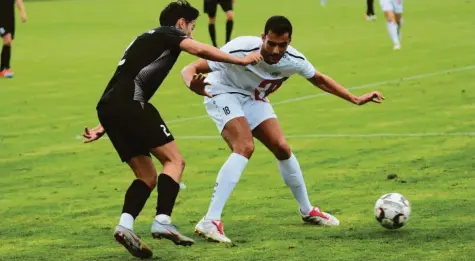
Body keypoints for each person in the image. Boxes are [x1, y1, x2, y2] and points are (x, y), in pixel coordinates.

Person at [82, 0, 262, 258]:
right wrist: (240, 61)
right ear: (181, 23)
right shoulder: (170, 33)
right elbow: (200, 50)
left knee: (146, 176)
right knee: (175, 161)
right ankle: (163, 221)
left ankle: (125, 226)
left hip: (110, 106)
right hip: (132, 103)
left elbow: (121, 80)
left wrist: (105, 124)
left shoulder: (143, 38)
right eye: (192, 27)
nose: (192, 33)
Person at [181, 15, 384, 244]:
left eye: (282, 45)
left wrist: (354, 98)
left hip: (253, 97)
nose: (276, 50)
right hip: (222, 91)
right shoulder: (240, 48)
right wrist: (193, 84)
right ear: (263, 37)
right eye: (271, 43)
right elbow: (192, 67)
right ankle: (211, 220)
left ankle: (307, 210)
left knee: (282, 147)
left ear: (289, 43)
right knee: (244, 146)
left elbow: (318, 79)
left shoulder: (293, 59)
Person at [0, 0, 27, 78]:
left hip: (9, 17)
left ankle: (3, 69)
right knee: (7, 38)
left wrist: (22, 12)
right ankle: (5, 68)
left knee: (8, 42)